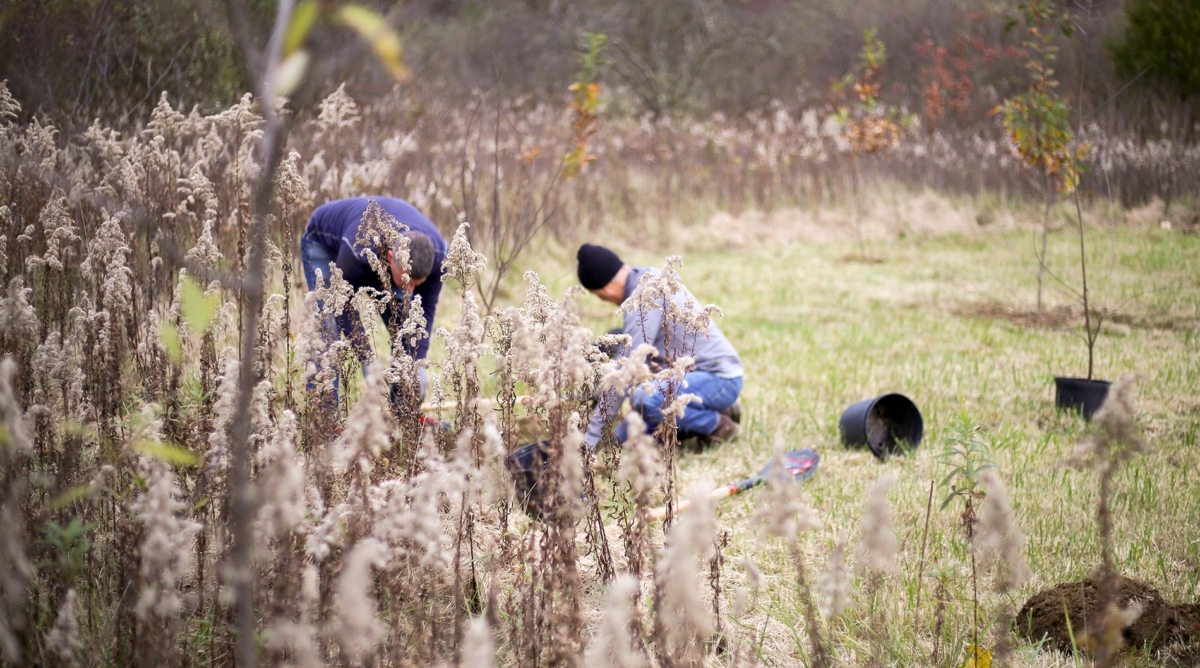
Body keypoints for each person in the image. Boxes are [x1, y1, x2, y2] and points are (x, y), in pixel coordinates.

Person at [578, 243, 743, 449]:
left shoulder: (644, 299)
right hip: (688, 378)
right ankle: (709, 409)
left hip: (718, 378)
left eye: (598, 296)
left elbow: (626, 372)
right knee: (623, 439)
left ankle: (717, 424)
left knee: (646, 399)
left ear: (604, 289)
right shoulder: (645, 280)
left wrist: (590, 439)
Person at [300, 196, 446, 401]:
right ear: (391, 257)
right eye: (406, 282)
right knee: (327, 331)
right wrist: (367, 359)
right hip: (326, 244)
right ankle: (324, 422)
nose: (411, 291)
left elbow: (425, 312)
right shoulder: (358, 252)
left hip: (378, 256)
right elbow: (343, 303)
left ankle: (404, 415)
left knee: (407, 328)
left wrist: (416, 363)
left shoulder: (439, 259)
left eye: (417, 283)